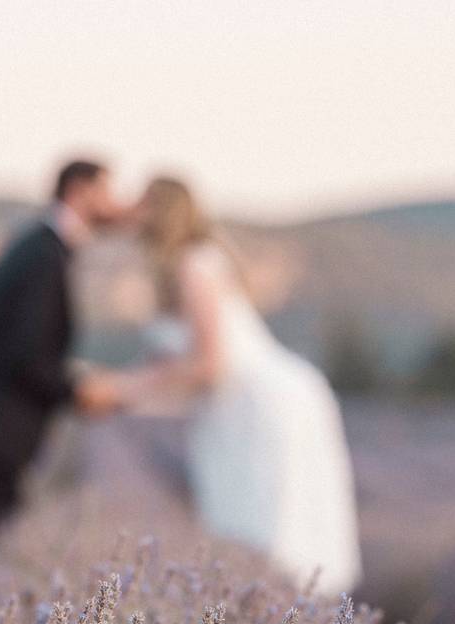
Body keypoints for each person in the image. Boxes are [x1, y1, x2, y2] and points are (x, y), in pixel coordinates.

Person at [113, 177, 362, 594]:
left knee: (263, 530)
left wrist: (124, 390)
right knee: (246, 533)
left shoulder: (193, 263)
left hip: (257, 407)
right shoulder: (185, 264)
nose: (132, 216)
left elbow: (209, 365)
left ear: (163, 211)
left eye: (142, 206)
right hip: (234, 408)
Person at [0, 160, 124, 579]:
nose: (116, 205)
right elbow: (25, 355)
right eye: (108, 192)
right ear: (80, 191)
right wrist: (79, 390)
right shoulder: (44, 254)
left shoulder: (43, 246)